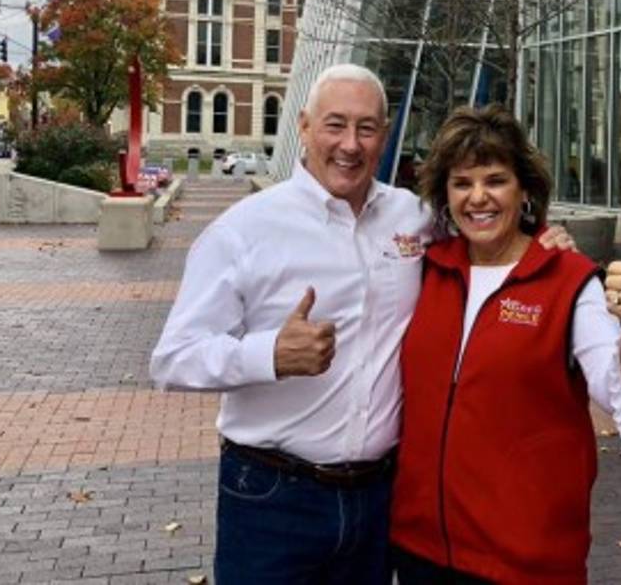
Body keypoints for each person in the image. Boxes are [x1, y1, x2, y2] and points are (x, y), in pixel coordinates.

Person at [149, 64, 577, 584]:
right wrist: (267, 356)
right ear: (304, 127)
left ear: (384, 134)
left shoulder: (415, 218)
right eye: (335, 125)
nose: (349, 144)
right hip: (271, 497)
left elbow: (487, 224)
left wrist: (545, 241)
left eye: (366, 128)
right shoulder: (242, 231)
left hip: (378, 502)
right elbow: (172, 359)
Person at [390, 104, 621, 585]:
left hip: (525, 561)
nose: (478, 197)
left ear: (523, 189)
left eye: (495, 180)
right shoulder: (429, 268)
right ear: (445, 194)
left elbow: (619, 389)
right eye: (462, 183)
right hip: (423, 551)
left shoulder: (568, 281)